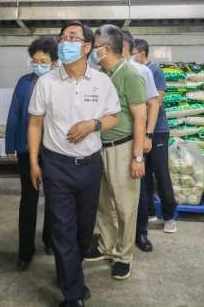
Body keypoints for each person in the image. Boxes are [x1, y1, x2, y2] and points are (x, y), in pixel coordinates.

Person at [28, 21, 120, 307]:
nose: (64, 42)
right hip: (57, 166)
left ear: (86, 46)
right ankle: (73, 294)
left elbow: (113, 118)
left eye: (72, 37)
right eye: (62, 37)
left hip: (91, 166)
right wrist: (33, 163)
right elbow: (35, 124)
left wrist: (93, 124)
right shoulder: (46, 82)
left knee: (83, 230)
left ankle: (70, 275)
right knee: (63, 230)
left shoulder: (102, 81)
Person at [84, 25, 148, 281]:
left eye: (95, 46)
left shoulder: (130, 75)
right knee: (103, 203)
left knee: (125, 205)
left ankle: (123, 255)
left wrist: (137, 157)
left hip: (123, 148)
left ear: (107, 48)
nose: (91, 51)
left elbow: (140, 117)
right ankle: (107, 246)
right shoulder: (102, 75)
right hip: (100, 147)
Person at [5, 37, 59, 271]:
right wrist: (10, 144)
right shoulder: (24, 83)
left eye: (43, 61)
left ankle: (50, 240)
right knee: (29, 198)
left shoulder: (61, 82)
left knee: (54, 198)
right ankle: (25, 250)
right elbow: (15, 113)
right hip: (28, 149)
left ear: (54, 61)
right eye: (35, 61)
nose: (38, 65)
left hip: (55, 149)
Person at [132, 38, 178, 249]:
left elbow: (157, 101)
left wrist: (136, 103)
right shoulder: (133, 70)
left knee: (160, 173)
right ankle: (150, 211)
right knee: (144, 174)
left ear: (141, 54)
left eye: (132, 52)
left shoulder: (154, 71)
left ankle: (169, 217)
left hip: (157, 131)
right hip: (140, 130)